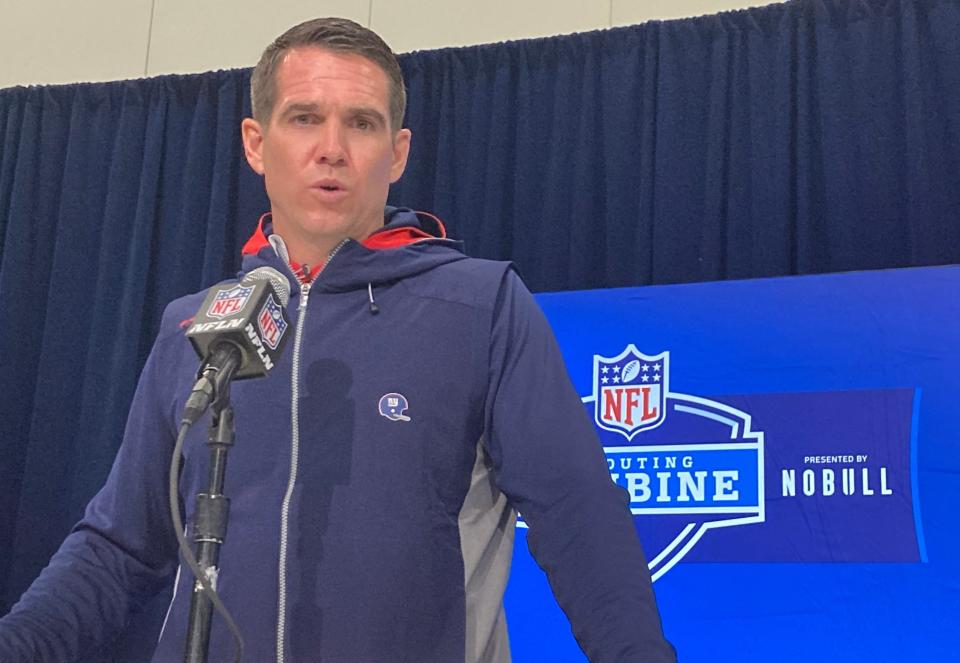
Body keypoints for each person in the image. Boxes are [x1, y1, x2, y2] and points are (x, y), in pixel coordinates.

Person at [0, 18, 675, 662]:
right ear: (256, 143)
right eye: (304, 118)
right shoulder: (194, 328)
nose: (332, 147)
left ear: (398, 151)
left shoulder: (481, 306)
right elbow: (119, 547)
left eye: (361, 123)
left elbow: (581, 519)